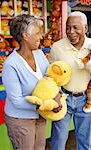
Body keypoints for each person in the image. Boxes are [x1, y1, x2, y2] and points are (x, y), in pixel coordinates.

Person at [2, 14, 49, 150]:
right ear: (25, 36)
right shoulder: (11, 64)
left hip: (40, 116)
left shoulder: (40, 54)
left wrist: (56, 97)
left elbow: (49, 79)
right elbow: (16, 100)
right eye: (37, 33)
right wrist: (44, 106)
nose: (41, 36)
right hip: (20, 120)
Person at [49, 11, 91, 150]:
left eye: (75, 27)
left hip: (86, 100)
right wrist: (56, 95)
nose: (71, 31)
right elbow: (50, 76)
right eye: (68, 27)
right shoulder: (57, 47)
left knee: (85, 140)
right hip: (63, 98)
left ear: (85, 29)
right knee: (58, 141)